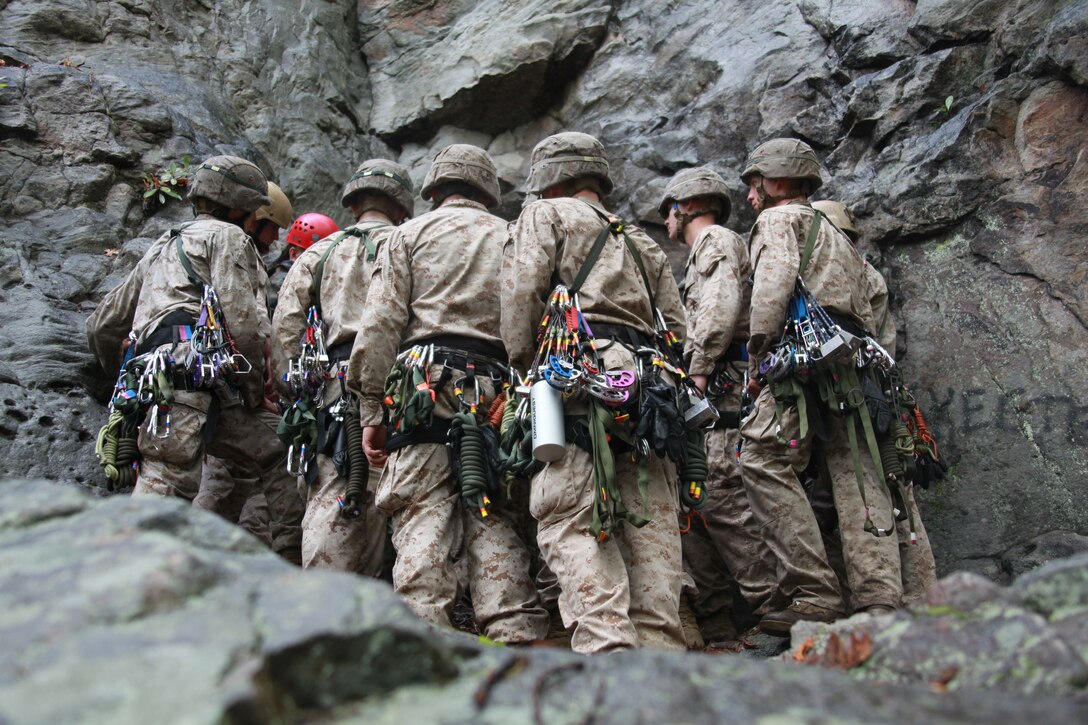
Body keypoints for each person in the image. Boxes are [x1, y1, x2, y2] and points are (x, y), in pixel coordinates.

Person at [348, 145, 548, 643]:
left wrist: (370, 408)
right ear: (488, 190)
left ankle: (421, 640)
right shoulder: (514, 235)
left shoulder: (405, 236)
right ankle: (516, 634)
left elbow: (379, 326)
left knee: (421, 509)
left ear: (433, 189)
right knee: (494, 504)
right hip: (499, 390)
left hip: (422, 385)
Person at [501, 131, 687, 654]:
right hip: (649, 384)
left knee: (568, 513)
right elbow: (676, 324)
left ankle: (607, 650)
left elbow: (521, 299)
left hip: (575, 374)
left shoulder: (545, 217)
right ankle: (661, 652)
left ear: (549, 179)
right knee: (649, 512)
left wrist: (523, 367)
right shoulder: (641, 240)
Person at [739, 138, 911, 634]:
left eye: (754, 185)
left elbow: (772, 287)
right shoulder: (838, 234)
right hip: (855, 362)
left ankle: (813, 592)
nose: (751, 197)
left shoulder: (777, 221)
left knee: (762, 457)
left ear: (776, 180)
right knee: (858, 470)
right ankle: (879, 599)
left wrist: (757, 355)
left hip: (802, 359)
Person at [86, 155, 284, 506]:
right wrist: (255, 395)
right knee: (166, 484)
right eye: (254, 209)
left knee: (276, 446)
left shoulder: (163, 244)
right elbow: (243, 326)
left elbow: (103, 324)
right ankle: (125, 561)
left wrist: (122, 381)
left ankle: (270, 552)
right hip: (189, 381)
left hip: (160, 384)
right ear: (240, 208)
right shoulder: (228, 237)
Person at [271, 159, 414, 577]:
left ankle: (323, 602)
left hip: (332, 389)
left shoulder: (320, 251)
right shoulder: (411, 241)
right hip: (405, 384)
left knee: (330, 493)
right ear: (401, 207)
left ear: (352, 206)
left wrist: (298, 387)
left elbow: (286, 325)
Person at [660, 167, 784, 642]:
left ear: (682, 207)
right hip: (716, 383)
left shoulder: (714, 240)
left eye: (667, 211)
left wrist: (698, 371)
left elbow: (717, 308)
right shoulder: (708, 248)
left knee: (725, 497)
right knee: (705, 500)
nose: (665, 222)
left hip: (720, 387)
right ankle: (726, 617)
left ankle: (774, 610)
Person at [810, 199, 937, 604]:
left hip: (857, 393)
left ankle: (886, 600)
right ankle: (919, 597)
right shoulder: (866, 272)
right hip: (879, 389)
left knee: (865, 490)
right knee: (895, 492)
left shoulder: (843, 275)